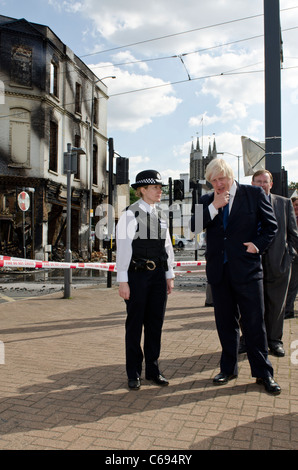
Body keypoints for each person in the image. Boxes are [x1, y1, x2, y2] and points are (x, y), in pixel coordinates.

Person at [192, 158, 281, 395]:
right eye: (213, 181)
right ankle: (228, 369)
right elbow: (194, 225)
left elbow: (271, 226)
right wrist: (214, 206)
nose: (218, 184)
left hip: (248, 271)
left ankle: (264, 374)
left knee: (254, 323)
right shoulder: (207, 200)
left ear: (231, 176)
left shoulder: (253, 194)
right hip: (219, 274)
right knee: (225, 323)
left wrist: (257, 246)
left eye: (222, 179)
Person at [116, 170, 175, 390]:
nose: (160, 191)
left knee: (155, 324)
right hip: (137, 276)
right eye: (155, 188)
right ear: (142, 190)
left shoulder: (160, 214)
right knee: (134, 326)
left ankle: (153, 369)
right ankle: (133, 372)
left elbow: (166, 247)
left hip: (158, 276)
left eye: (160, 188)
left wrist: (169, 275)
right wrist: (123, 281)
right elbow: (123, 249)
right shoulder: (129, 215)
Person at [251, 171, 298, 356]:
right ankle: (247, 340)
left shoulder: (284, 203)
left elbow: (293, 235)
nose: (262, 185)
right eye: (258, 181)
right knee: (249, 305)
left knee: (276, 306)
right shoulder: (244, 204)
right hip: (251, 265)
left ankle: (275, 341)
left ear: (271, 184)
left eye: (265, 182)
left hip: (278, 264)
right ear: (252, 183)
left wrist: (288, 257)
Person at [284, 197, 298, 319]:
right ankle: (288, 310)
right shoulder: (289, 218)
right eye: (295, 205)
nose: (296, 208)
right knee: (292, 285)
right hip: (295, 258)